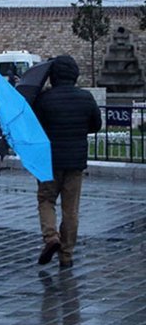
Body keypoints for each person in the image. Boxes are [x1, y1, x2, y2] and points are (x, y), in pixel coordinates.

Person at [34, 55, 102, 269]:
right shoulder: (85, 98)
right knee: (71, 209)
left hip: (49, 161)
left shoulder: (44, 99)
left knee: (46, 200)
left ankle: (51, 237)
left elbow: (36, 127)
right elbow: (96, 125)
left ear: (52, 76)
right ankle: (66, 255)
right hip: (75, 161)